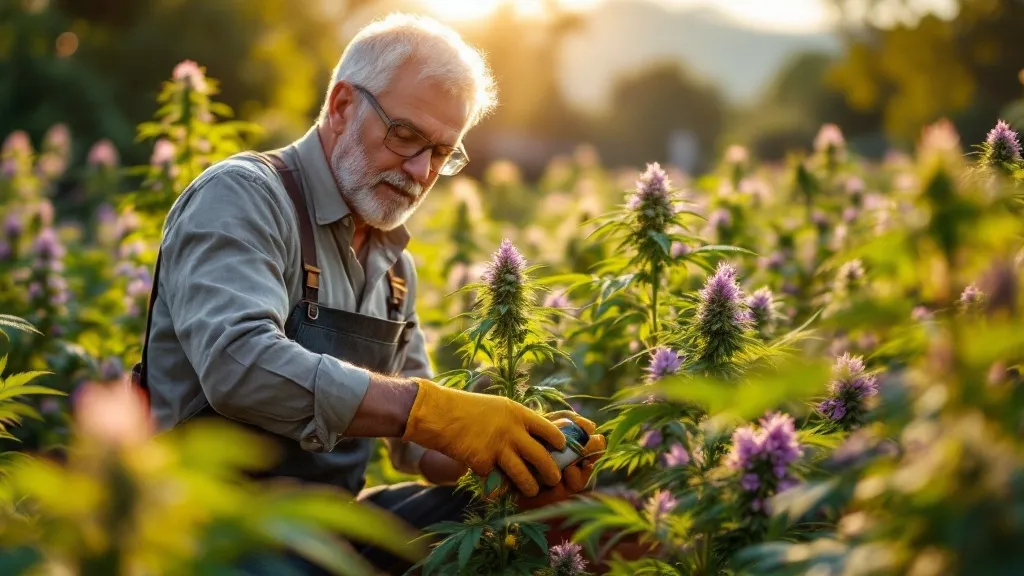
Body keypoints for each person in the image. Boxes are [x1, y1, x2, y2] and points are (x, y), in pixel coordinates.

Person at [131, 12, 605, 574]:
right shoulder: (243, 197)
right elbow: (239, 365)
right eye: (406, 135)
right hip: (204, 529)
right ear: (340, 106)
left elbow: (421, 451)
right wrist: (431, 411)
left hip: (327, 528)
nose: (419, 169)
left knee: (533, 524)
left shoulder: (393, 263)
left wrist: (513, 447)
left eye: (441, 153)